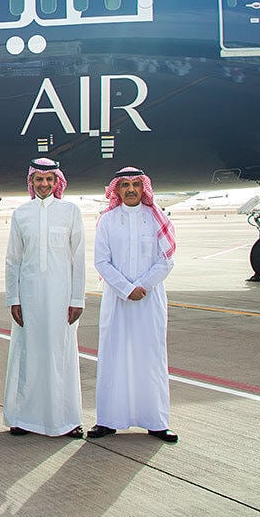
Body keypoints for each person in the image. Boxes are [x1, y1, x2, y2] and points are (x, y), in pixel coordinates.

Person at [88, 167, 179, 443]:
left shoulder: (156, 218)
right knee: (113, 357)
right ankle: (107, 420)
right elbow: (101, 261)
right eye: (124, 185)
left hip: (149, 301)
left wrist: (143, 285)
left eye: (135, 185)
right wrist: (127, 289)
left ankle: (156, 421)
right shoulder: (107, 221)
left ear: (144, 188)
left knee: (150, 358)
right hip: (117, 300)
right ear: (116, 190)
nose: (130, 189)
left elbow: (166, 260)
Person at [3, 158, 86, 438]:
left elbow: (79, 259)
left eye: (49, 179)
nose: (43, 184)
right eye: (38, 179)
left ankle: (67, 420)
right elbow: (13, 260)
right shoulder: (21, 214)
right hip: (28, 297)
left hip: (62, 297)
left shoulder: (70, 212)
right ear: (31, 182)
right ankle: (24, 418)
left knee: (61, 355)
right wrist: (13, 298)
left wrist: (77, 299)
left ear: (57, 182)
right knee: (28, 354)